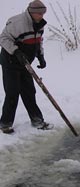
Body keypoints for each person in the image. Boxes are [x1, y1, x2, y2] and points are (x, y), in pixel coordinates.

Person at [0, 0, 51, 134]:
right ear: (32, 12)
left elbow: (38, 41)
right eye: (39, 13)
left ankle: (37, 120)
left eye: (43, 13)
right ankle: (5, 124)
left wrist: (40, 56)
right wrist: (16, 51)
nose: (41, 16)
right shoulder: (17, 23)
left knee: (29, 91)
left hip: (25, 62)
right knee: (12, 92)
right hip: (10, 61)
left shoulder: (40, 25)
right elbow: (3, 38)